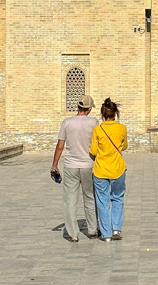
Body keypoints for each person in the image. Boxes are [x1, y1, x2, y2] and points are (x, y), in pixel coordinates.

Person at [51, 95, 99, 242]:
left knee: (70, 200)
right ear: (89, 108)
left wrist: (54, 165)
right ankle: (92, 229)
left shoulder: (67, 122)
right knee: (90, 197)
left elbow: (60, 146)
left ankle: (73, 234)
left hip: (71, 166)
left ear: (78, 107)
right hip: (88, 165)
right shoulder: (93, 122)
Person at [90, 98, 128, 243]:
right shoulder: (122, 128)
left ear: (102, 114)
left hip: (100, 169)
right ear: (115, 113)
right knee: (117, 197)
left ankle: (106, 234)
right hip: (118, 168)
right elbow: (124, 146)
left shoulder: (98, 129)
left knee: (103, 201)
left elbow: (93, 150)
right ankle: (116, 228)